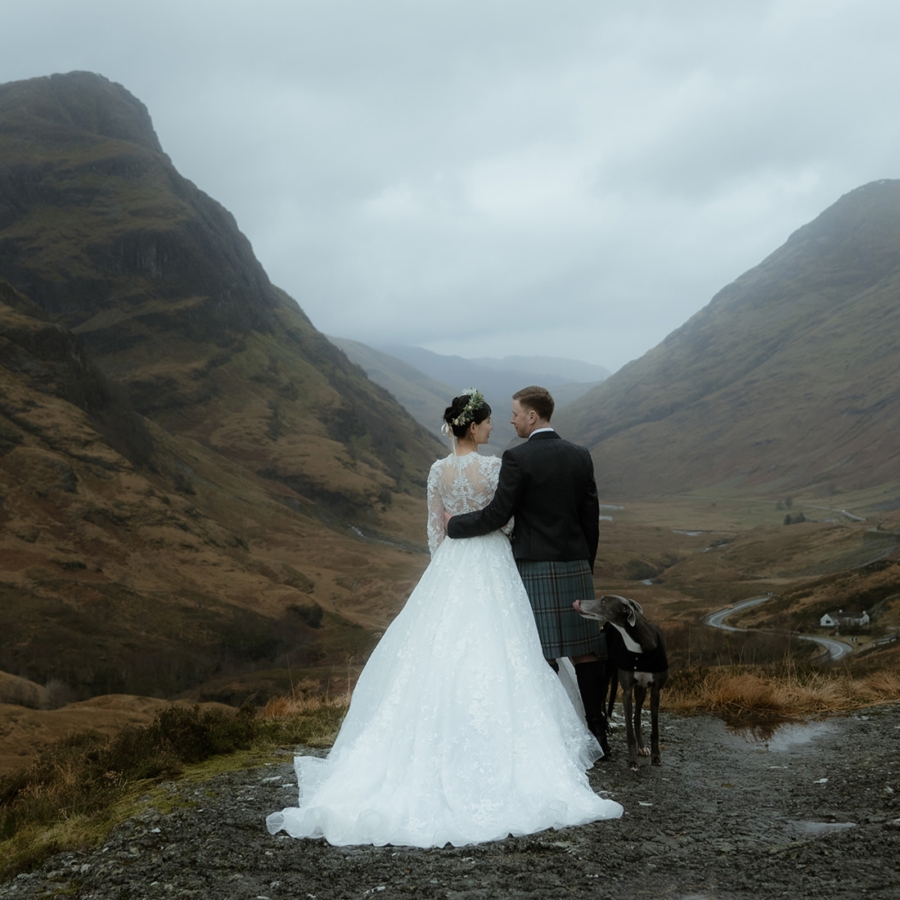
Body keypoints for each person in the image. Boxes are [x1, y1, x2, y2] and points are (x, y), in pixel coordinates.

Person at [266, 389, 623, 848]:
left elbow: (435, 530)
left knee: (443, 651)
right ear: (473, 426)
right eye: (491, 420)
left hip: (452, 565)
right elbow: (506, 520)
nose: (498, 425)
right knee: (510, 650)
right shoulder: (496, 466)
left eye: (507, 416)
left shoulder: (438, 470)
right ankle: (587, 727)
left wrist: (446, 566)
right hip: (496, 563)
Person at [446, 386, 611, 754]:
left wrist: (454, 525)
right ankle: (598, 731)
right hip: (575, 564)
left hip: (535, 565)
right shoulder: (580, 455)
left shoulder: (517, 458)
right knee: (586, 652)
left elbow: (497, 515)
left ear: (532, 417)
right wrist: (586, 562)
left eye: (516, 413)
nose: (511, 419)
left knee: (541, 652)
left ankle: (554, 733)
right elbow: (591, 520)